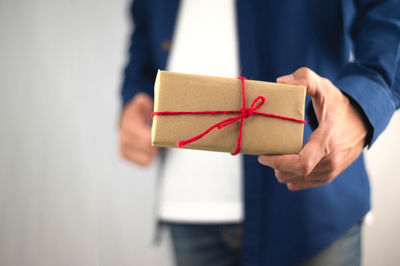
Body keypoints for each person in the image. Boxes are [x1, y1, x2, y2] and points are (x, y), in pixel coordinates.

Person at [119, 0, 400, 266]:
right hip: (189, 202)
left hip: (311, 203)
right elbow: (144, 28)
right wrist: (135, 97)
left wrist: (365, 103)